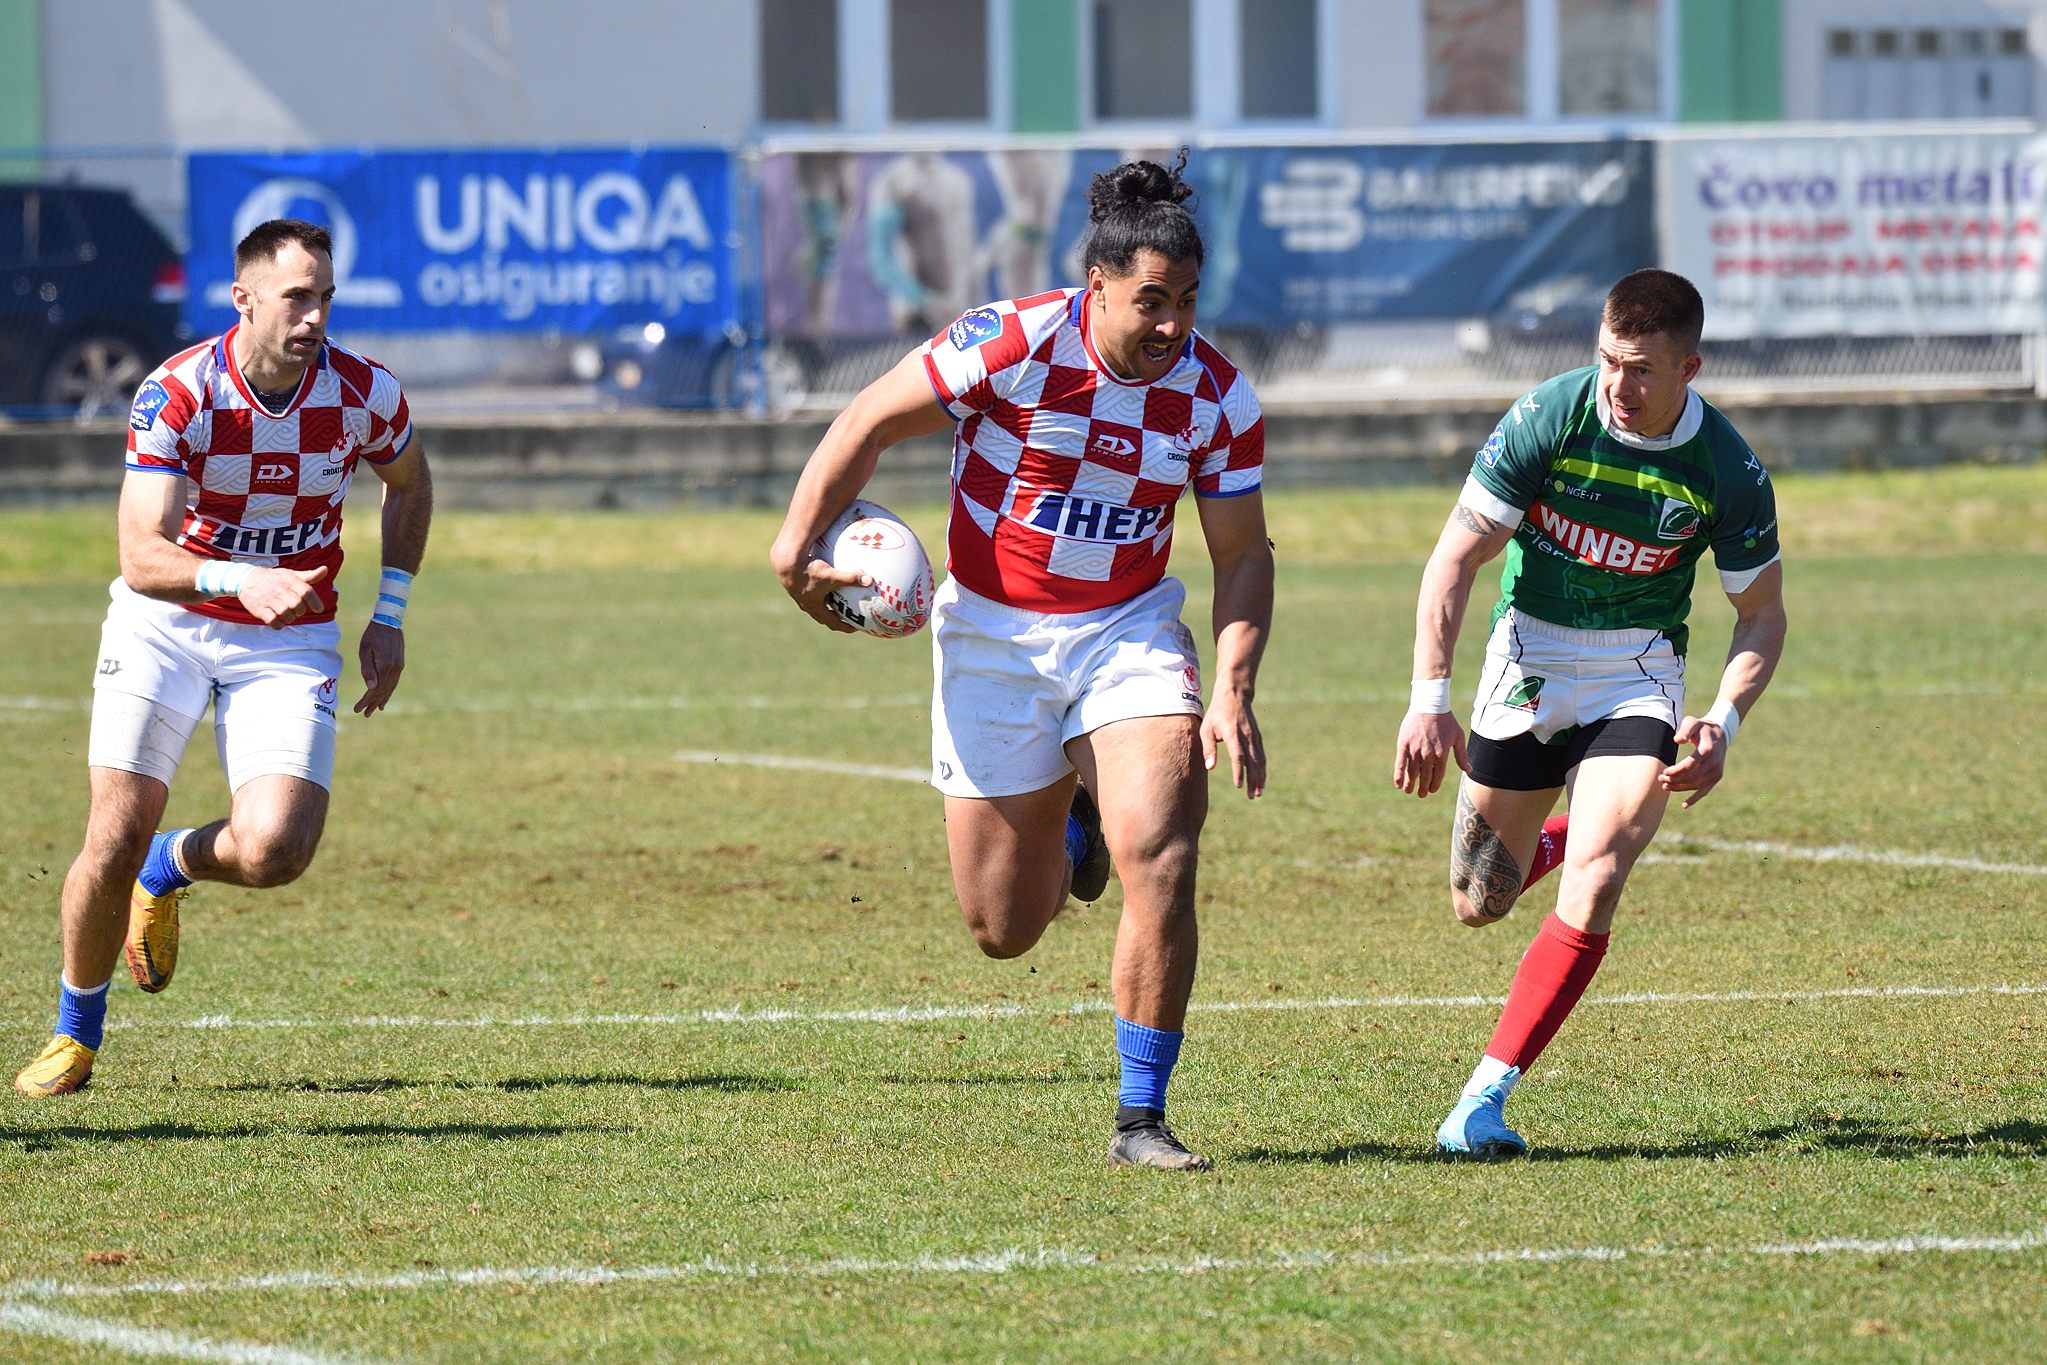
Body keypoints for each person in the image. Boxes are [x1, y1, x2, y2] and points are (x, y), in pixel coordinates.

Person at [772, 154, 1272, 1171]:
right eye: (1149, 303)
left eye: (1185, 302)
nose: (1171, 325)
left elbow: (1241, 556)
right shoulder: (1011, 343)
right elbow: (869, 419)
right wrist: (795, 544)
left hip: (1125, 631)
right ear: (1096, 286)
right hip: (991, 637)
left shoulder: (1216, 396)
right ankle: (1074, 820)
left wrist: (1229, 683)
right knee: (1003, 929)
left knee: (1164, 853)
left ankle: (1141, 1119)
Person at [14, 218, 432, 1097]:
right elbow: (142, 554)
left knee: (277, 847)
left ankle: (173, 864)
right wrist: (238, 576)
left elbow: (409, 482)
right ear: (243, 298)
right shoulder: (178, 393)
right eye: (296, 298)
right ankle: (74, 1033)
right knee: (112, 832)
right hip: (165, 621)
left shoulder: (365, 394)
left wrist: (388, 612)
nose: (314, 317)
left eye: (324, 297)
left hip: (288, 635)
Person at [1392, 268, 1786, 1158]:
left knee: (1603, 873)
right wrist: (1428, 701)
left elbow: (1760, 614)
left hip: (1635, 668)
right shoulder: (1549, 417)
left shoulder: (1724, 468)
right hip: (1526, 655)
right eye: (1608, 360)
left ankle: (1480, 1102)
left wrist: (1722, 717)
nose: (1618, 384)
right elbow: (1454, 559)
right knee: (1477, 902)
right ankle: (1579, 826)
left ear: (1689, 366)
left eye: (1642, 369)